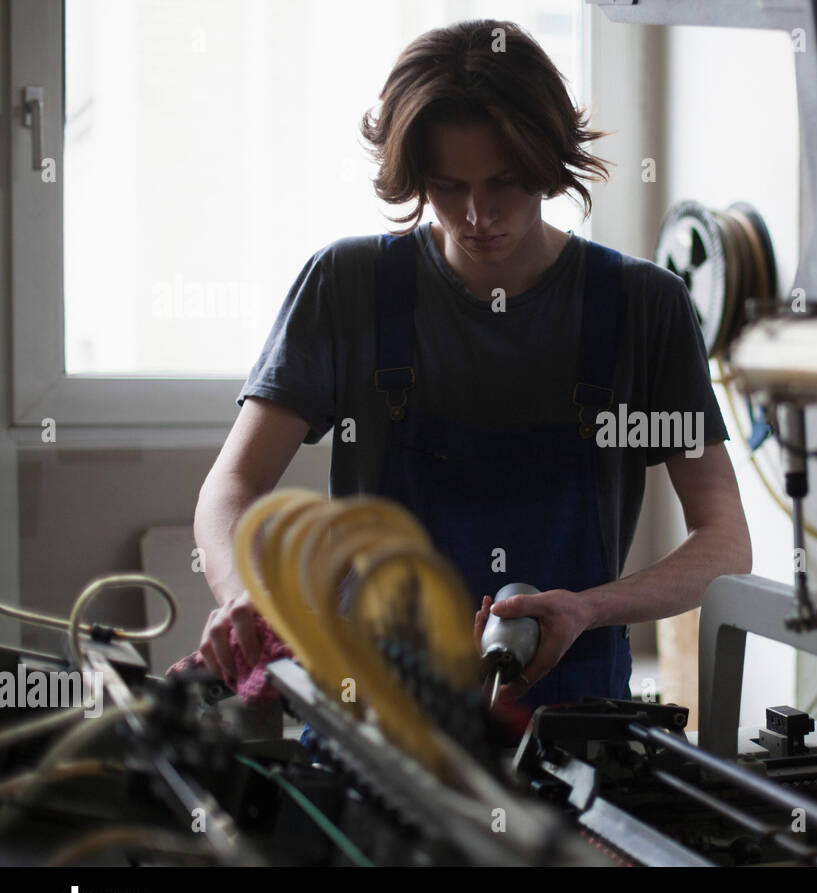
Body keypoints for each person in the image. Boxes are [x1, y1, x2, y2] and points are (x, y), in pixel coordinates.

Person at [174, 19, 751, 713]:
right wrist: (247, 600)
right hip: (374, 710)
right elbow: (231, 486)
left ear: (548, 160)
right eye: (448, 186)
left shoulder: (643, 306)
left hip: (570, 720)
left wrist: (590, 610)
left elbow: (724, 540)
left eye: (504, 182)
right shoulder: (348, 285)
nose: (477, 215)